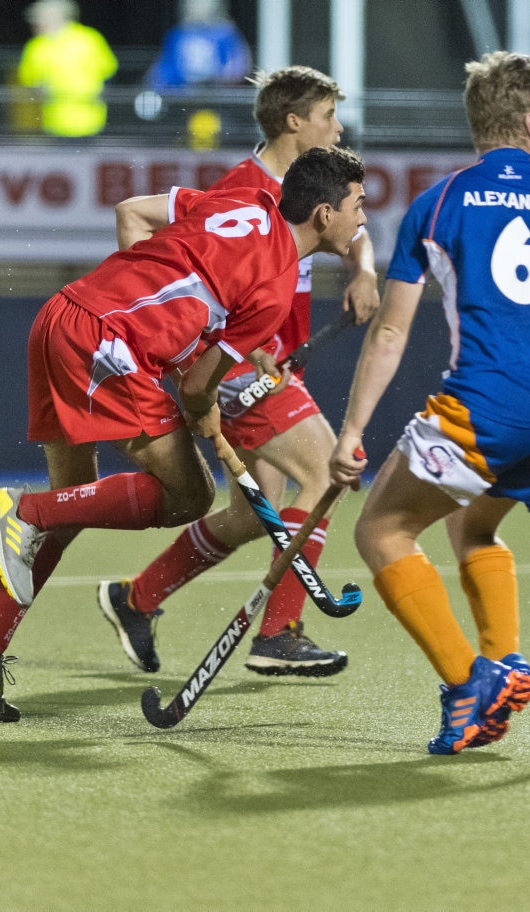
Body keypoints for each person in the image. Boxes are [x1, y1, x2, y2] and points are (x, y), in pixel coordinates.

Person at [0, 145, 368, 723]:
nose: (363, 221)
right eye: (358, 207)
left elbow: (132, 213)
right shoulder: (277, 287)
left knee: (71, 510)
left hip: (63, 317)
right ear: (323, 214)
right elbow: (196, 390)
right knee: (189, 495)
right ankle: (24, 512)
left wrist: (158, 318)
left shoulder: (246, 199)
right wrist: (203, 408)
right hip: (108, 346)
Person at [328, 52, 530, 755]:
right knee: (473, 527)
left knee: (381, 533)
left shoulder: (440, 202)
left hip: (481, 410)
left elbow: (392, 328)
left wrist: (352, 429)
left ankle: (466, 684)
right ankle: (505, 662)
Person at [97, 66, 380, 678]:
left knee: (256, 513)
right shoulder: (243, 189)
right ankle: (279, 633)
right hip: (241, 368)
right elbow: (150, 240)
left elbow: (351, 222)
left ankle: (136, 598)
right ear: (294, 122)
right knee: (325, 470)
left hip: (271, 363)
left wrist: (365, 271)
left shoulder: (321, 187)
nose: (337, 125)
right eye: (328, 115)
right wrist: (164, 329)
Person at [16, 0, 118, 137]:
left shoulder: (89, 39)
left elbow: (109, 72)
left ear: (57, 17)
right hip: (61, 122)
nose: (35, 24)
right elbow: (30, 82)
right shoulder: (37, 46)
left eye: (39, 19)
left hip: (86, 121)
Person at [145, 0, 252, 92]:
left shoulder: (225, 33)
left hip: (216, 97)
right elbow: (162, 70)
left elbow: (238, 68)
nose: (195, 5)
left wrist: (218, 78)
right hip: (180, 98)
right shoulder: (177, 35)